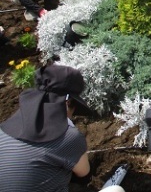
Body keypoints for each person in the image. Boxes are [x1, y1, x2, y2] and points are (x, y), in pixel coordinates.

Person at [0, 64, 125, 192]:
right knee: (115, 190)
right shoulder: (68, 136)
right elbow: (84, 175)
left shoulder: (4, 129)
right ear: (68, 102)